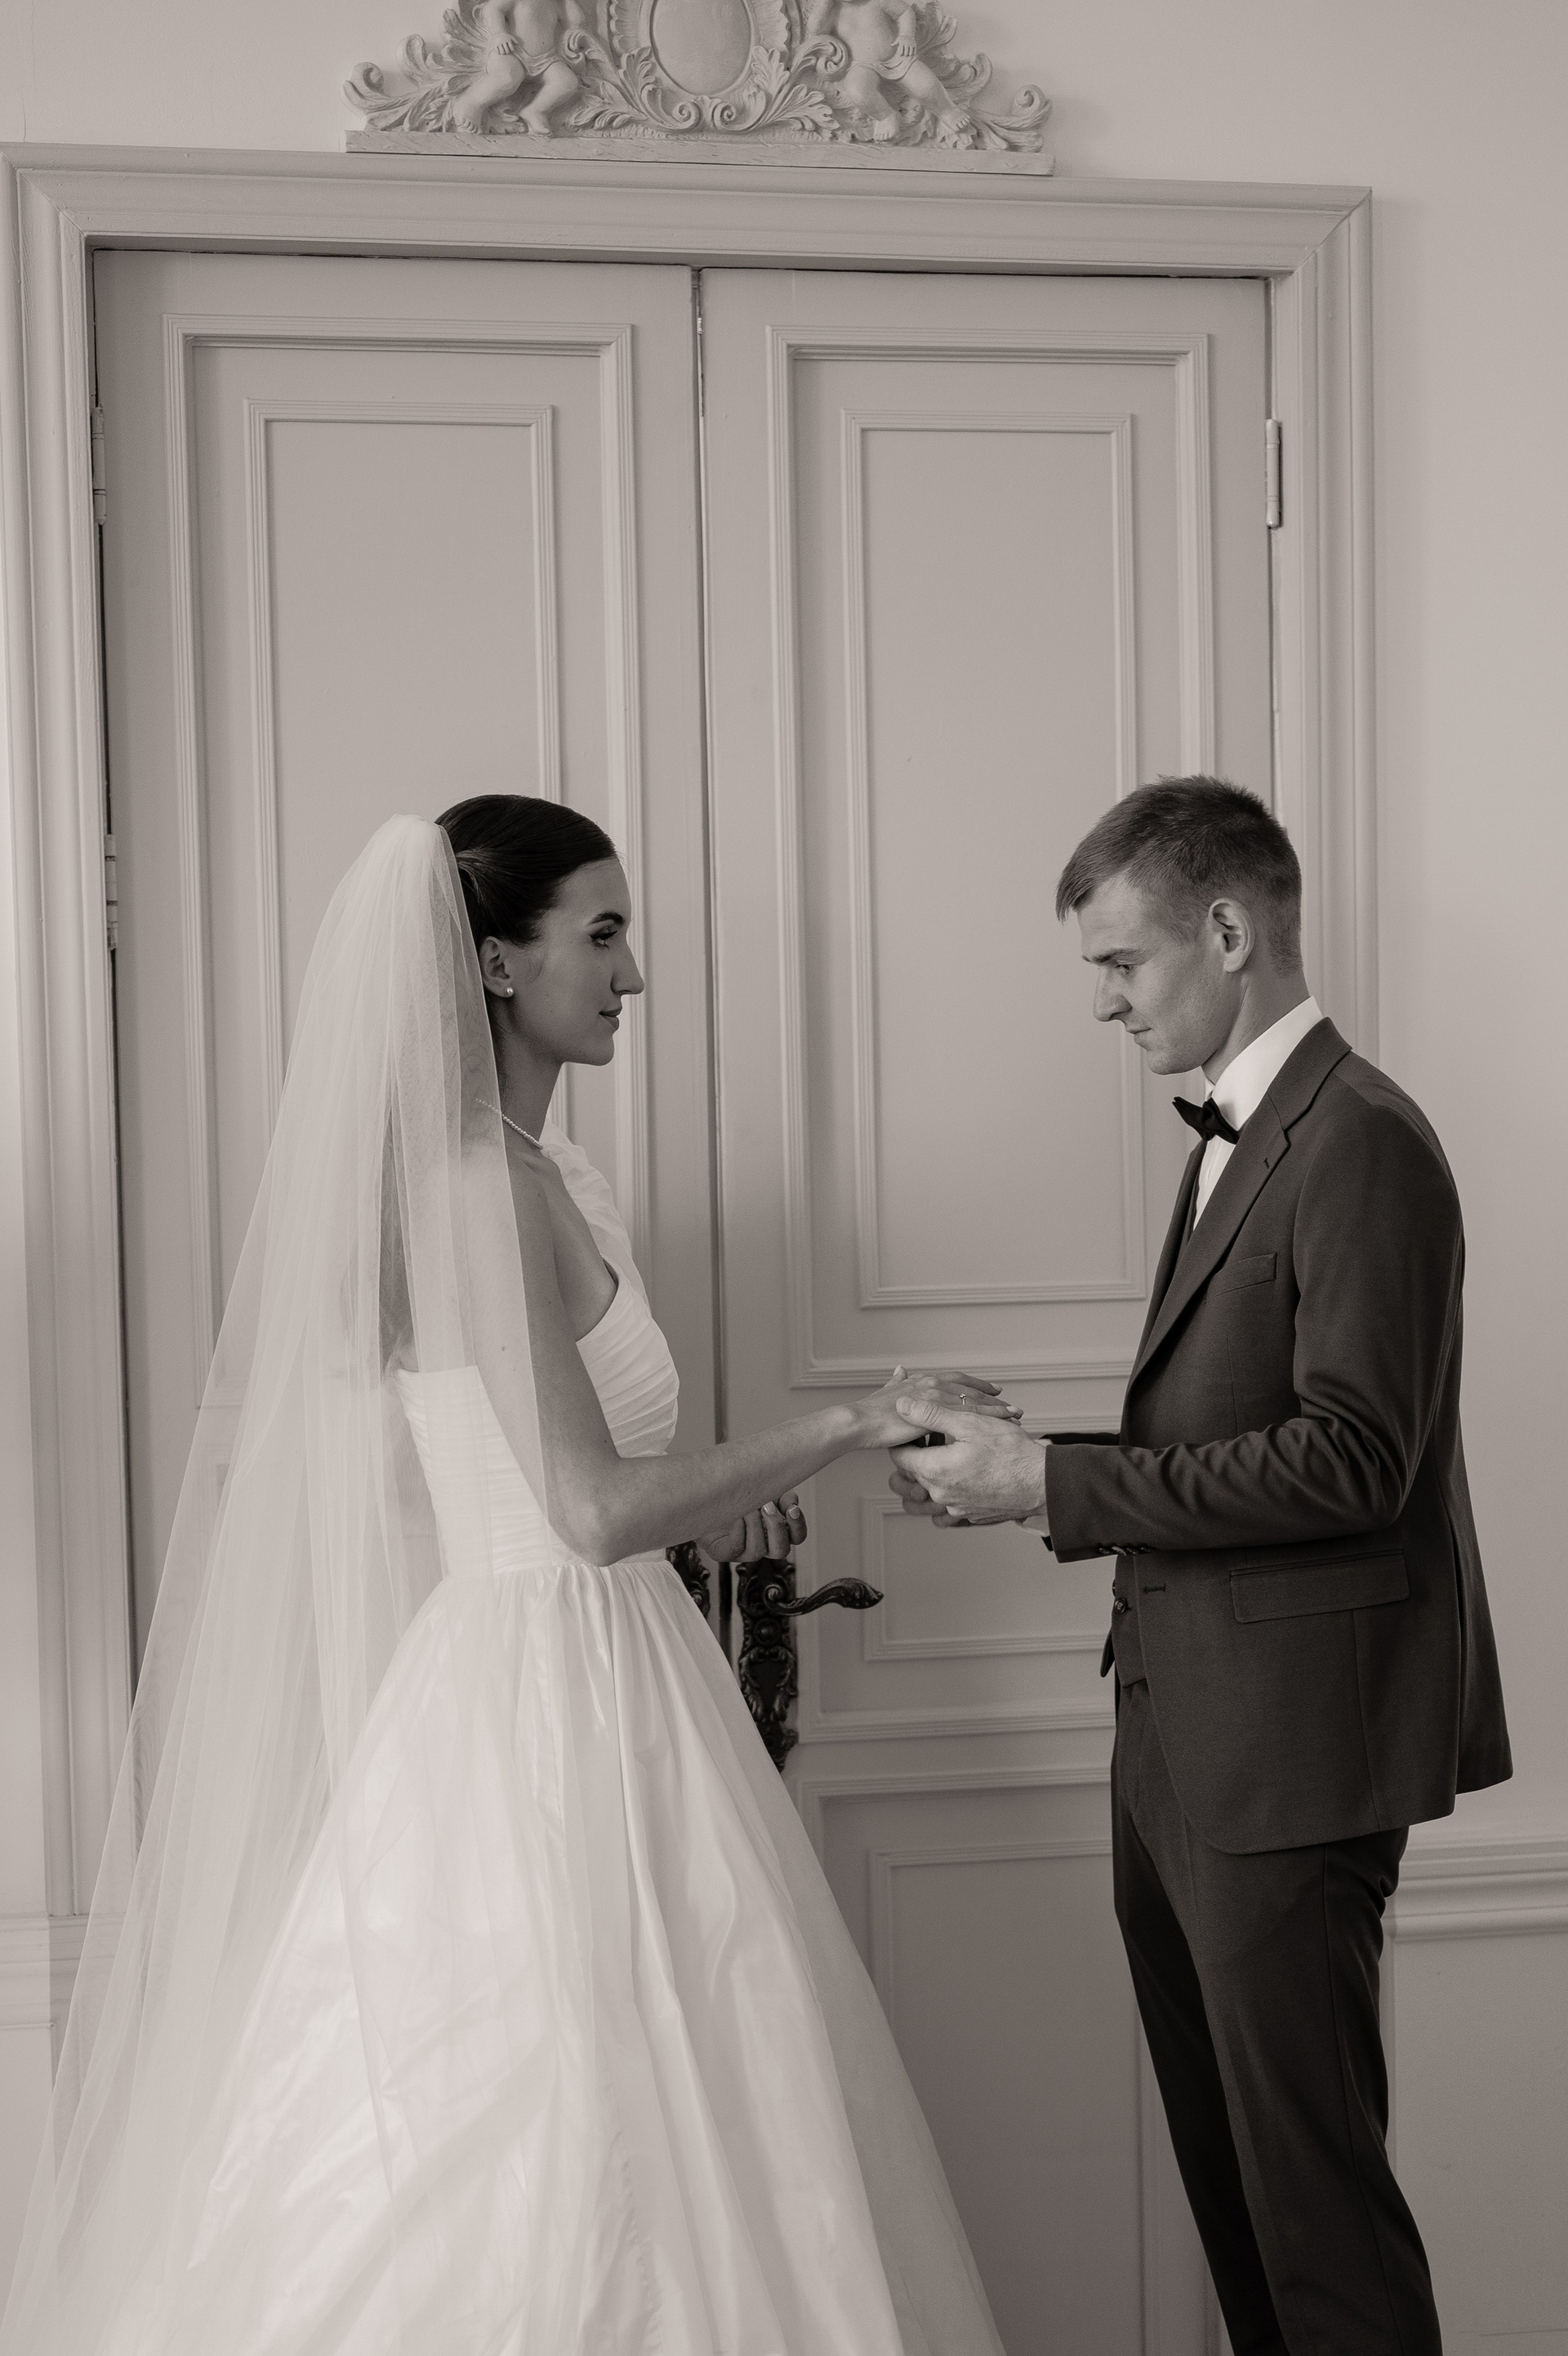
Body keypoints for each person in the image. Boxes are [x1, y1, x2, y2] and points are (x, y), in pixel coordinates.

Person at [2, 801, 1009, 2356]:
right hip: (537, 1705)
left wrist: (712, 1513)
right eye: (601, 934)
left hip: (627, 1677)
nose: (633, 973)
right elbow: (587, 1510)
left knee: (693, 2096)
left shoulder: (557, 1176)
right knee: (544, 2115)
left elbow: (575, 1477)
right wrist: (850, 1421)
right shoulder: (475, 1187)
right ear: (493, 960)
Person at [887, 777, 1511, 2355]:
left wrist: (1056, 1482)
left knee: (1318, 2228)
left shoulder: (1363, 1140)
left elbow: (1353, 1458)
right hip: (1180, 1740)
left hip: (1290, 1758)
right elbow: (1231, 1423)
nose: (1103, 1002)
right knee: (1239, 2201)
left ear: (1229, 930)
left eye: (1122, 962)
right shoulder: (1242, 1131)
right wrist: (1020, 1464)